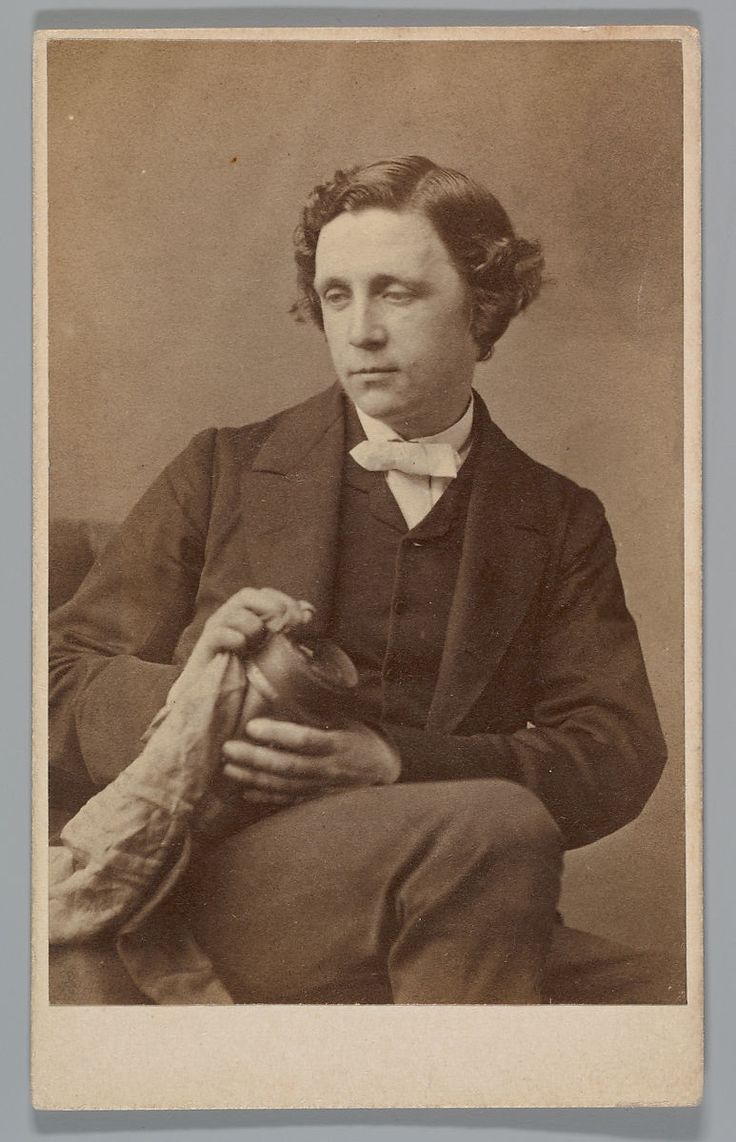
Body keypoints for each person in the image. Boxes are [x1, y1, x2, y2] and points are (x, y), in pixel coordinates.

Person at [49, 155, 677, 1005]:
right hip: (214, 890)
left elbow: (614, 748)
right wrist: (192, 702)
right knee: (497, 823)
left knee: (684, 1004)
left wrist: (396, 764)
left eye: (397, 293)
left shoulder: (558, 518)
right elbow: (47, 684)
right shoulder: (224, 469)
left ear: (481, 305)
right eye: (337, 295)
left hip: (455, 894)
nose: (360, 331)